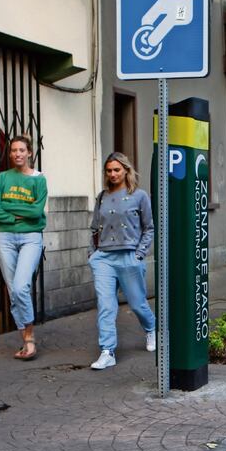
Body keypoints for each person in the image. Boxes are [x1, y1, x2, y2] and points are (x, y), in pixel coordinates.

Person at [88, 152, 156, 370]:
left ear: (126, 170)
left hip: (129, 256)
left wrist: (139, 254)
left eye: (117, 169)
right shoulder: (102, 196)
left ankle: (151, 329)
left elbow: (149, 228)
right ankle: (107, 351)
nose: (113, 174)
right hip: (104, 258)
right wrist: (93, 254)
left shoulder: (139, 196)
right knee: (106, 306)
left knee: (137, 304)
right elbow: (94, 228)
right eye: (109, 170)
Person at [0, 135, 47, 360]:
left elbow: (37, 212)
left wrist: (10, 210)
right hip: (5, 238)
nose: (17, 154)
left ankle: (29, 336)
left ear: (29, 153)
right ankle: (27, 341)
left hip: (31, 238)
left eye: (22, 150)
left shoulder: (39, 180)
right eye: (14, 150)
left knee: (21, 287)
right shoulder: (3, 178)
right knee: (13, 289)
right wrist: (19, 216)